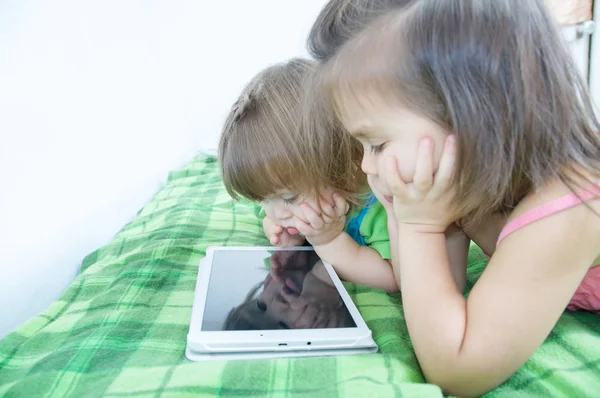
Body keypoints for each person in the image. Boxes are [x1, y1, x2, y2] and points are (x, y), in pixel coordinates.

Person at [311, 0, 600, 395]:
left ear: (479, 118)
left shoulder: (571, 207)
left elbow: (458, 371)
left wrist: (419, 227)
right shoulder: (468, 179)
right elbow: (432, 283)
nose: (365, 166)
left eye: (377, 143)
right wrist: (406, 213)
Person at [218, 58, 398, 293]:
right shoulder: (280, 199)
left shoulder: (380, 207)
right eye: (261, 199)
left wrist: (329, 241)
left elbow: (395, 278)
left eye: (290, 197)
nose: (276, 212)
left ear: (342, 164)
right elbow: (270, 216)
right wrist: (278, 231)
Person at [224, 250, 354, 330]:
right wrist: (324, 282)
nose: (277, 303)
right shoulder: (360, 286)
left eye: (261, 306)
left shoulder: (280, 254)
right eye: (283, 326)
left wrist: (292, 235)